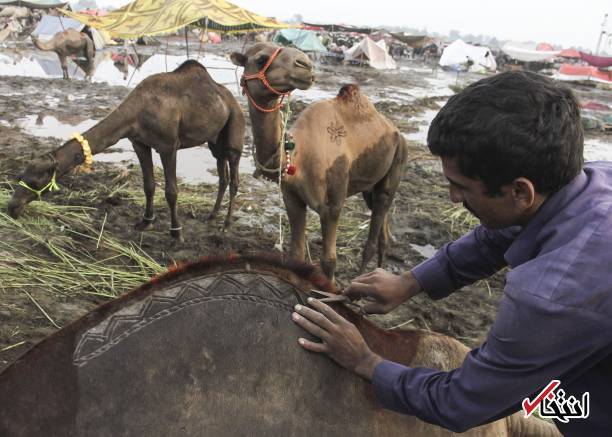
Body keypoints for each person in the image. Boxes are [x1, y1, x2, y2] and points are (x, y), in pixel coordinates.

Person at [291, 70, 612, 436]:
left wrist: (365, 361)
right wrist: (410, 282)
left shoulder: (554, 293)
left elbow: (461, 401)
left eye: (461, 187)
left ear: (521, 192)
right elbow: (500, 235)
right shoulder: (589, 180)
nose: (452, 198)